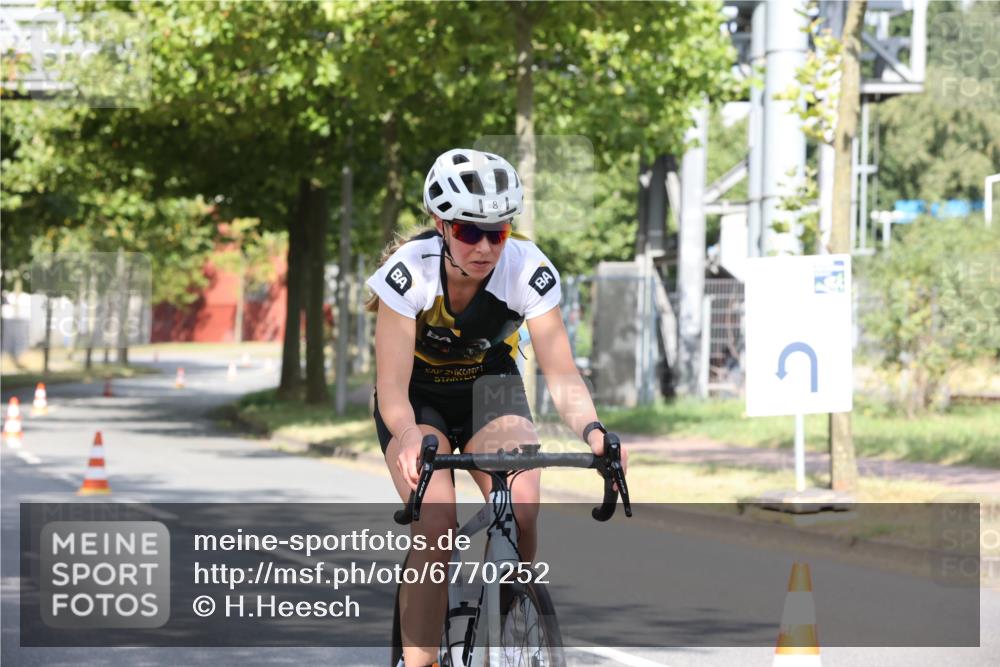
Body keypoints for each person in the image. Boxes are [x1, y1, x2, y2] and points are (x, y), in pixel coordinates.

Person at [365, 148, 627, 667]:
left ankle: (507, 628)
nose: (485, 246)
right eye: (469, 232)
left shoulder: (527, 268)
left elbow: (562, 372)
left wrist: (595, 433)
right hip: (418, 397)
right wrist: (407, 435)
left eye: (498, 232)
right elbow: (391, 387)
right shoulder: (408, 274)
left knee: (524, 503)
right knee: (436, 525)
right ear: (441, 225)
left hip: (488, 385)